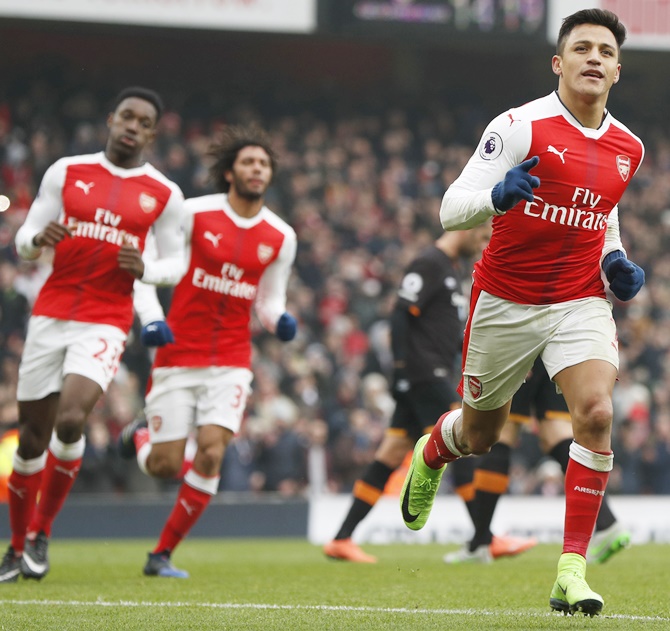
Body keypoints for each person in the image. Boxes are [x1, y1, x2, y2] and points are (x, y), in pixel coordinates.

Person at [399, 9, 644, 617]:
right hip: (506, 300)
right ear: (558, 64)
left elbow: (602, 212)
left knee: (594, 413)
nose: (593, 57)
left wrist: (614, 260)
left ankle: (570, 571)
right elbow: (450, 209)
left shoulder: (627, 148)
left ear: (617, 68)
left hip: (580, 299)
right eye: (580, 48)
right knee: (481, 435)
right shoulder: (518, 126)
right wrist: (496, 196)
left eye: (604, 50)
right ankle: (433, 452)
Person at [0, 87, 186, 584]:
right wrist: (37, 241)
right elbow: (23, 241)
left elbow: (177, 263)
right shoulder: (66, 171)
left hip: (105, 318)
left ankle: (41, 533)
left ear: (152, 132)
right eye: (126, 115)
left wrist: (147, 268)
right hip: (51, 313)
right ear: (111, 119)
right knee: (30, 442)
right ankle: (15, 549)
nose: (132, 125)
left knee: (71, 418)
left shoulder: (164, 193)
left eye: (143, 121)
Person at [120, 125, 298, 578]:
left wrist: (279, 320)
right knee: (163, 466)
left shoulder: (280, 235)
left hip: (232, 362)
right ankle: (139, 436)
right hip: (178, 355)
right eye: (248, 162)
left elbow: (269, 301)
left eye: (264, 163)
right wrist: (153, 319)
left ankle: (161, 555)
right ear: (228, 171)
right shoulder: (193, 214)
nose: (257, 169)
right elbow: (149, 267)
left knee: (212, 453)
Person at [324, 224, 510, 563]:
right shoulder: (430, 262)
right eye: (483, 237)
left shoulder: (450, 270)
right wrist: (399, 370)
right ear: (466, 228)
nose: (484, 244)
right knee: (464, 439)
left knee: (392, 452)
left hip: (426, 374)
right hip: (425, 375)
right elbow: (399, 315)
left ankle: (341, 538)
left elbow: (445, 332)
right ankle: (484, 537)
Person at [444, 357, 630, 565]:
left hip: (524, 341)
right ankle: (607, 523)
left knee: (504, 430)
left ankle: (480, 543)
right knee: (556, 431)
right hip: (555, 349)